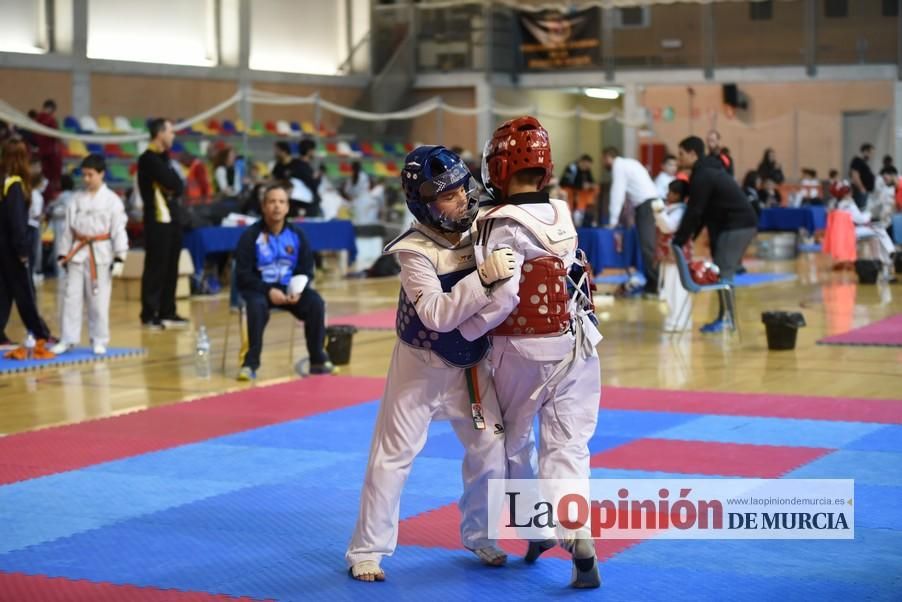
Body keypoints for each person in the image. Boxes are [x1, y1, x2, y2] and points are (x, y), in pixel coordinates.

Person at [346, 146, 510, 582]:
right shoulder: (413, 251)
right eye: (448, 195)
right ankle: (367, 550)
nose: (462, 200)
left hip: (471, 363)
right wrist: (483, 276)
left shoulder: (483, 226)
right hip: (419, 364)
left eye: (463, 188)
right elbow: (437, 315)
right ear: (424, 204)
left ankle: (482, 535)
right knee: (392, 457)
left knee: (492, 451)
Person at [465, 116, 603, 589]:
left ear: (499, 167)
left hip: (520, 347)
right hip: (579, 344)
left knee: (514, 442)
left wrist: (468, 326)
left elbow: (502, 298)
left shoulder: (500, 223)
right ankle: (576, 531)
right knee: (568, 445)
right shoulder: (562, 213)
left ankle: (536, 526)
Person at [234, 184, 336, 380]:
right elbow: (243, 274)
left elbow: (306, 269)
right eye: (272, 202)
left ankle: (317, 360)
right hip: (259, 290)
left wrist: (297, 289)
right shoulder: (250, 236)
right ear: (263, 206)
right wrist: (267, 290)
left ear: (288, 207)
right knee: (255, 307)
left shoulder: (298, 235)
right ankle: (250, 364)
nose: (277, 206)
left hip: (290, 290)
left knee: (315, 303)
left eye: (281, 202)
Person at [673, 135, 758, 333]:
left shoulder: (704, 175)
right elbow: (702, 212)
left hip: (739, 225)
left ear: (693, 154)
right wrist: (688, 238)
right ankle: (724, 317)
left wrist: (679, 240)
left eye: (681, 154)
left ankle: (727, 319)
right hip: (732, 225)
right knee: (721, 270)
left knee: (724, 272)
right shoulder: (703, 173)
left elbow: (695, 211)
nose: (678, 158)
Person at [51, 155, 128, 356]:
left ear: (101, 174)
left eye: (90, 175)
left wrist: (120, 257)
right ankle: (68, 339)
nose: (86, 179)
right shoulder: (76, 199)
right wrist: (63, 253)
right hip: (77, 252)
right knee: (71, 297)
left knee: (99, 300)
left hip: (101, 253)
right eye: (84, 175)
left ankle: (99, 339)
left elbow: (119, 230)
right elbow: (67, 229)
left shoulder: (112, 201)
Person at [0, 139, 54, 357]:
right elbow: (16, 222)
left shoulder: (3, 182)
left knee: (3, 292)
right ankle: (40, 333)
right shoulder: (14, 185)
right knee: (25, 293)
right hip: (12, 248)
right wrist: (22, 251)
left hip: (1, 246)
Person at [138, 118, 188, 330]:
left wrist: (173, 186)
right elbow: (171, 183)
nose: (173, 135)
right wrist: (172, 185)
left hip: (172, 218)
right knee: (155, 267)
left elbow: (178, 185)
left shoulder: (164, 158)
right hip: (157, 219)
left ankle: (168, 311)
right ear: (160, 134)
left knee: (171, 266)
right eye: (170, 131)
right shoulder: (148, 159)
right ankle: (149, 313)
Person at [603, 146, 662, 297]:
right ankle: (655, 283)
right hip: (651, 203)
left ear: (609, 157)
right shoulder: (630, 163)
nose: (604, 164)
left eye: (604, 160)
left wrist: (613, 220)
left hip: (646, 206)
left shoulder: (619, 166)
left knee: (647, 247)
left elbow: (617, 193)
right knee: (650, 246)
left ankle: (654, 285)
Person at [653, 179, 692, 332]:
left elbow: (668, 227)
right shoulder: (671, 209)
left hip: (676, 258)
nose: (667, 195)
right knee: (669, 288)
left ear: (677, 195)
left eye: (670, 192)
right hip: (668, 257)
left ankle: (679, 321)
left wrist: (659, 213)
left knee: (677, 288)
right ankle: (674, 320)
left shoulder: (680, 211)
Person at [34, 99, 62, 200]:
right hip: (51, 155)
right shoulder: (51, 120)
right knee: (51, 181)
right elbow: (57, 137)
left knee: (41, 179)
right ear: (51, 109)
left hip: (40, 154)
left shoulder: (36, 119)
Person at [559, 154, 596, 226]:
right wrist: (581, 186)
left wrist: (590, 185)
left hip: (580, 195)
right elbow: (564, 182)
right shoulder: (571, 168)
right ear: (582, 162)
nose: (586, 168)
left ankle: (585, 214)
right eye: (585, 166)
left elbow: (591, 182)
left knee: (594, 190)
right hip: (569, 193)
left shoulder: (587, 170)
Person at [850, 143, 876, 210]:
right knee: (860, 209)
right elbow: (855, 175)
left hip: (864, 191)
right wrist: (861, 188)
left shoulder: (863, 162)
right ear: (865, 151)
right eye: (871, 153)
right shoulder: (857, 160)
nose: (872, 156)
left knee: (863, 209)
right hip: (860, 191)